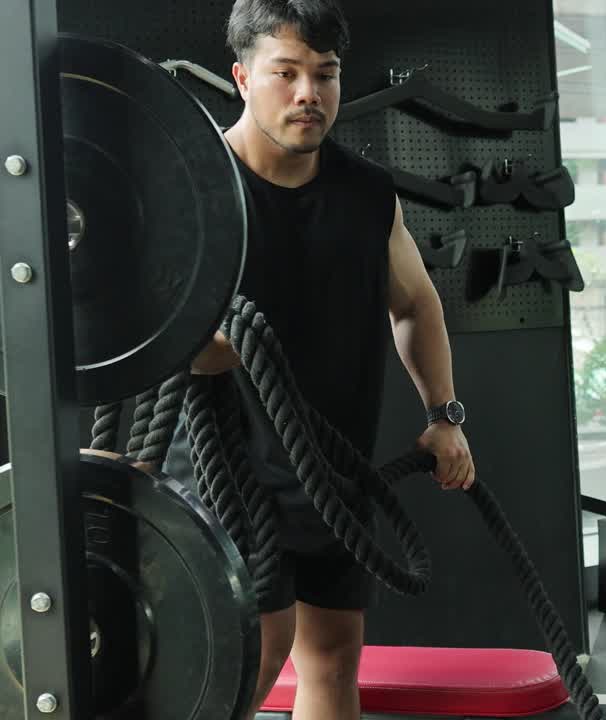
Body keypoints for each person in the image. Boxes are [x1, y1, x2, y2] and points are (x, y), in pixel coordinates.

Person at [184, 1, 476, 717]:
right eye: (285, 73)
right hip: (225, 472)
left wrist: (444, 414)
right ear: (243, 77)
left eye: (324, 74)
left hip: (333, 468)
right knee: (252, 656)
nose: (308, 93)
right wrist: (210, 350)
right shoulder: (192, 188)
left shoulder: (366, 192)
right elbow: (156, 344)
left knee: (335, 656)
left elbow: (415, 305)